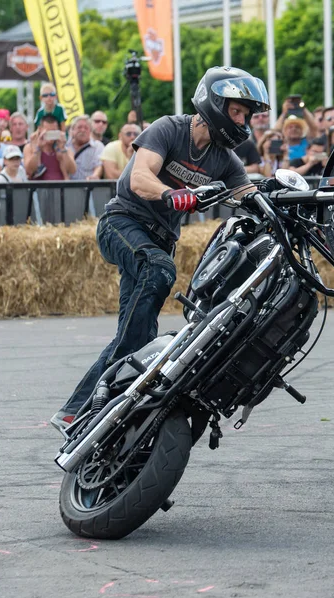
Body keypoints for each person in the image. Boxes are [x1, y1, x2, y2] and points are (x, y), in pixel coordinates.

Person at [50, 66, 270, 429]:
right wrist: (172, 195)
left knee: (136, 341)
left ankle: (78, 412)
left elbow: (249, 195)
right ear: (214, 103)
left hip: (159, 242)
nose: (244, 121)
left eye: (247, 114)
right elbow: (139, 177)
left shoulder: (226, 161)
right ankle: (87, 404)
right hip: (123, 223)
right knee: (160, 272)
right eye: (237, 111)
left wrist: (280, 196)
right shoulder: (169, 128)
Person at [24, 114, 76, 180]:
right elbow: (29, 171)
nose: (51, 135)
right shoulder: (30, 147)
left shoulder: (66, 149)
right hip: (39, 188)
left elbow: (72, 171)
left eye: (53, 131)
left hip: (60, 188)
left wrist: (63, 150)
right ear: (40, 129)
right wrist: (38, 149)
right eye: (48, 131)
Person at [68, 115, 104, 180]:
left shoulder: (97, 146)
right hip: (66, 187)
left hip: (88, 186)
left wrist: (95, 176)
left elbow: (99, 166)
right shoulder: (65, 146)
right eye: (79, 127)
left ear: (90, 131)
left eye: (86, 128)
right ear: (72, 130)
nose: (82, 130)